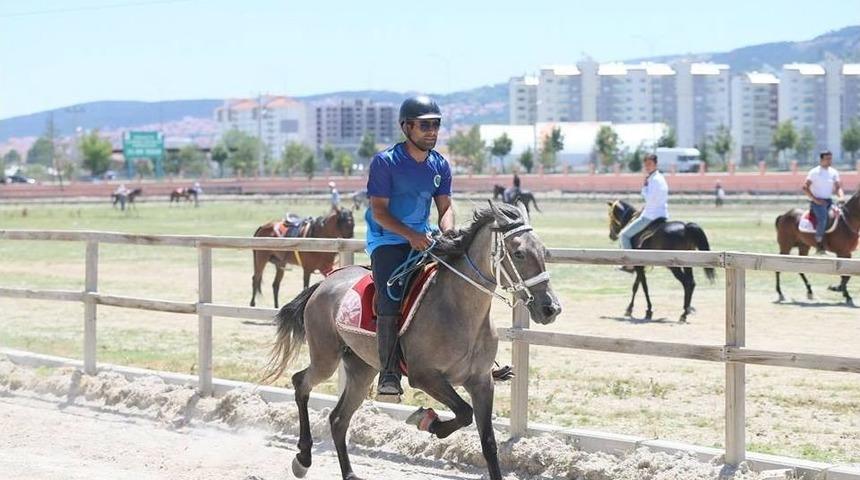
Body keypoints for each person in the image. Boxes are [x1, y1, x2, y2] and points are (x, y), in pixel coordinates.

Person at [366, 95, 454, 396]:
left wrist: (448, 232)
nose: (432, 131)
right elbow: (379, 211)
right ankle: (389, 373)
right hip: (388, 238)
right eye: (425, 125)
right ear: (406, 127)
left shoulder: (440, 164)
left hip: (425, 237)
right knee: (390, 296)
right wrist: (410, 236)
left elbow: (445, 208)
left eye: (436, 125)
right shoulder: (385, 163)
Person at [618, 153, 668, 272]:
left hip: (650, 216)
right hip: (661, 213)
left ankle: (630, 265)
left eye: (650, 164)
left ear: (656, 164)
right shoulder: (660, 178)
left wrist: (644, 189)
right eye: (646, 165)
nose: (647, 167)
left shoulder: (653, 180)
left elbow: (650, 198)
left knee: (623, 236)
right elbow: (657, 199)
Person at [802, 150, 844, 253]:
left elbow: (838, 187)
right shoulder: (814, 172)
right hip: (817, 203)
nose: (830, 161)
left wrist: (841, 197)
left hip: (829, 201)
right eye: (827, 159)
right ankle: (819, 243)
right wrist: (815, 200)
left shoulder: (834, 172)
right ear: (821, 160)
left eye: (830, 158)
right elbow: (805, 187)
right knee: (823, 218)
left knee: (842, 216)